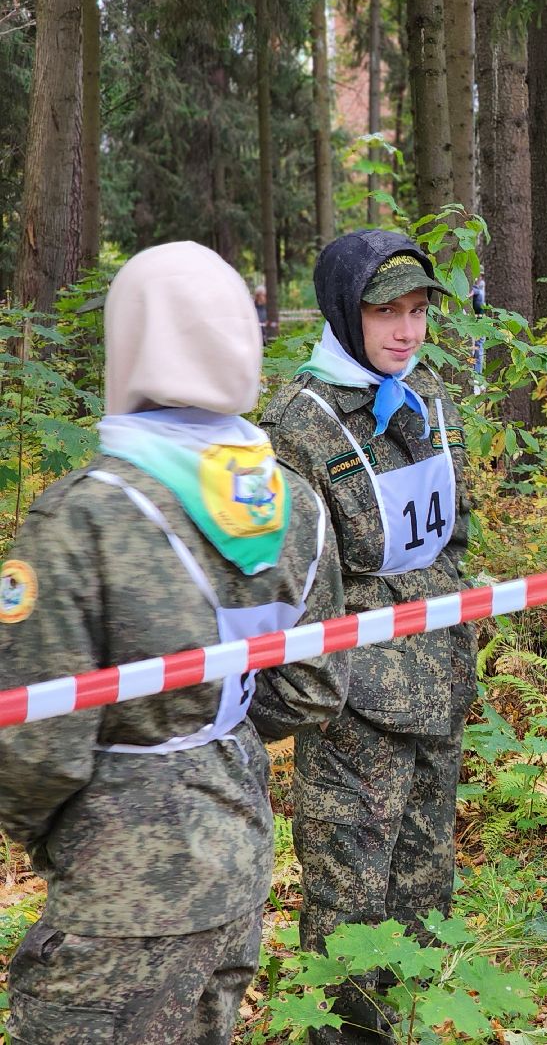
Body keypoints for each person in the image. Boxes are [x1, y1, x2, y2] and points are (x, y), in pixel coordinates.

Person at [0, 242, 349, 1044]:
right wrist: (205, 726)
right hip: (238, 850)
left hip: (118, 894)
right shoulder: (292, 502)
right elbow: (310, 688)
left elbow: (37, 747)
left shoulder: (82, 517)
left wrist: (38, 828)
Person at [260, 229, 478, 1044]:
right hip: (356, 709)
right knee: (349, 921)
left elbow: (453, 539)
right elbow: (294, 584)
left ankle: (416, 1026)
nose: (406, 330)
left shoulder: (432, 400)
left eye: (418, 311)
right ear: (345, 313)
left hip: (441, 684)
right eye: (385, 310)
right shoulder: (296, 424)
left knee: (426, 900)